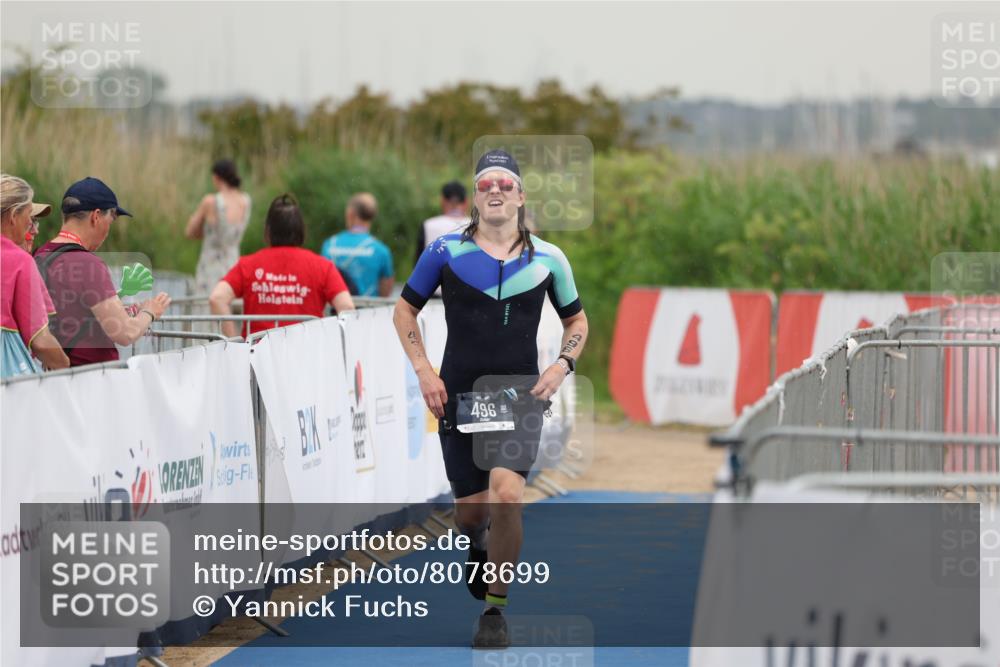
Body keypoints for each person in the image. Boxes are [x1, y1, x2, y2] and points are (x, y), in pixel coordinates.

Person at [392, 150, 589, 648]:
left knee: (508, 495)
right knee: (471, 514)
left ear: (520, 196)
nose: (495, 190)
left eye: (505, 183)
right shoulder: (444, 251)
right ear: (475, 199)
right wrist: (424, 372)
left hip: (518, 394)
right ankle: (476, 544)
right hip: (457, 393)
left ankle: (495, 612)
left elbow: (577, 322)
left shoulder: (549, 258)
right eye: (485, 185)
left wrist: (562, 365)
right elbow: (403, 314)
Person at [34, 177, 171, 367]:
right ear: (96, 216)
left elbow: (71, 315)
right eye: (111, 220)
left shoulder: (39, 255)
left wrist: (125, 312)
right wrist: (150, 311)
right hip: (90, 379)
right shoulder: (88, 264)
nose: (108, 230)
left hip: (49, 377)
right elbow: (125, 333)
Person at [210, 193, 356, 338]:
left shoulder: (248, 265)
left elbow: (217, 298)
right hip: (307, 352)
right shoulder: (322, 266)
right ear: (301, 230)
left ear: (268, 230)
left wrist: (234, 344)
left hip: (258, 354)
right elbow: (347, 307)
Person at [0, 174, 68, 376]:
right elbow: (41, 341)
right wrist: (64, 364)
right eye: (30, 216)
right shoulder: (18, 260)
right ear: (13, 216)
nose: (31, 224)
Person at [186, 159, 251, 296]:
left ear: (216, 177)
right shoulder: (245, 201)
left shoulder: (211, 201)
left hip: (210, 265)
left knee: (205, 306)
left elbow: (190, 231)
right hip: (233, 263)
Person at [320, 192, 394, 297]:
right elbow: (385, 292)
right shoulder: (381, 250)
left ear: (350, 213)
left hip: (336, 311)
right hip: (368, 311)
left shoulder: (330, 244)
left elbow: (322, 282)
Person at [414, 180, 470, 264]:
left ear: (442, 201)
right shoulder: (477, 226)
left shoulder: (428, 225)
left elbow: (418, 263)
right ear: (466, 202)